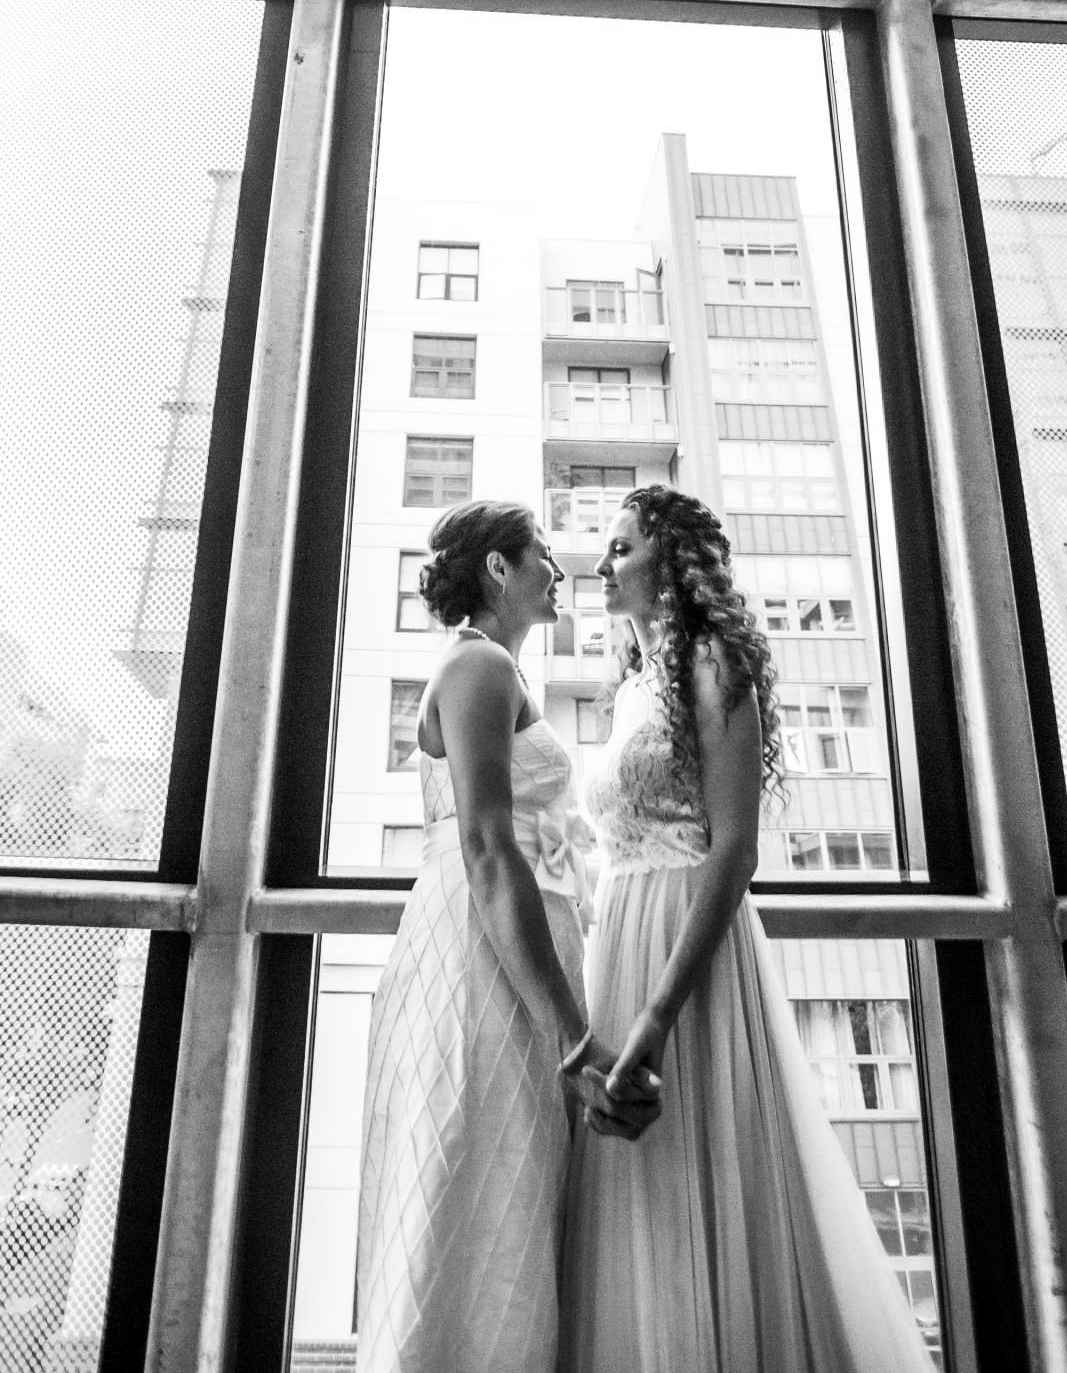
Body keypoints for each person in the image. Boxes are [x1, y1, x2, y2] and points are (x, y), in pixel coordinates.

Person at [560, 484, 936, 1373]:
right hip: (618, 937)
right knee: (637, 1196)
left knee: (711, 1173)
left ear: (672, 563)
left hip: (688, 956)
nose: (602, 565)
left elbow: (733, 853)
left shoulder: (714, 667)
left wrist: (657, 1014)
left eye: (621, 548)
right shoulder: (630, 689)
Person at [356, 499, 660, 1373]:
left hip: (506, 951)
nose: (558, 574)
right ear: (497, 568)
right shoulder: (480, 667)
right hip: (482, 963)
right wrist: (574, 1037)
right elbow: (489, 850)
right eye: (540, 558)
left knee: (501, 1193)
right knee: (488, 1190)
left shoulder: (495, 672)